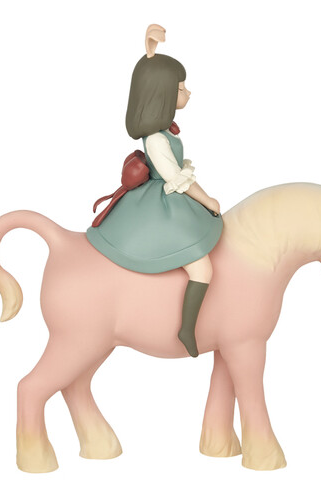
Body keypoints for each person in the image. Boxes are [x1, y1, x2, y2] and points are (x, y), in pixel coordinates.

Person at [86, 25, 223, 357]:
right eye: (180, 88)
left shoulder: (166, 133)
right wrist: (206, 199)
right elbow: (175, 177)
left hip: (171, 198)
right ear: (161, 95)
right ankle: (187, 328)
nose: (187, 93)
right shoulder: (157, 140)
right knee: (202, 267)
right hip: (163, 205)